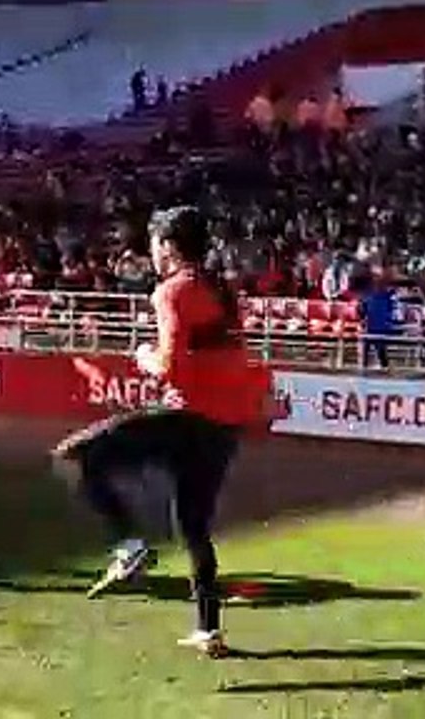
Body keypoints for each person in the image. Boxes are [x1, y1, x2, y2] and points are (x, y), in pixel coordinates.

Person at [52, 206, 271, 657]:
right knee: (193, 525)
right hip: (224, 425)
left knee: (74, 456)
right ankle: (208, 630)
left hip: (187, 416)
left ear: (168, 247)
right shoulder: (221, 288)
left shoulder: (172, 291)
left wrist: (145, 355)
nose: (150, 253)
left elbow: (171, 369)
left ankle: (129, 545)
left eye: (153, 244)